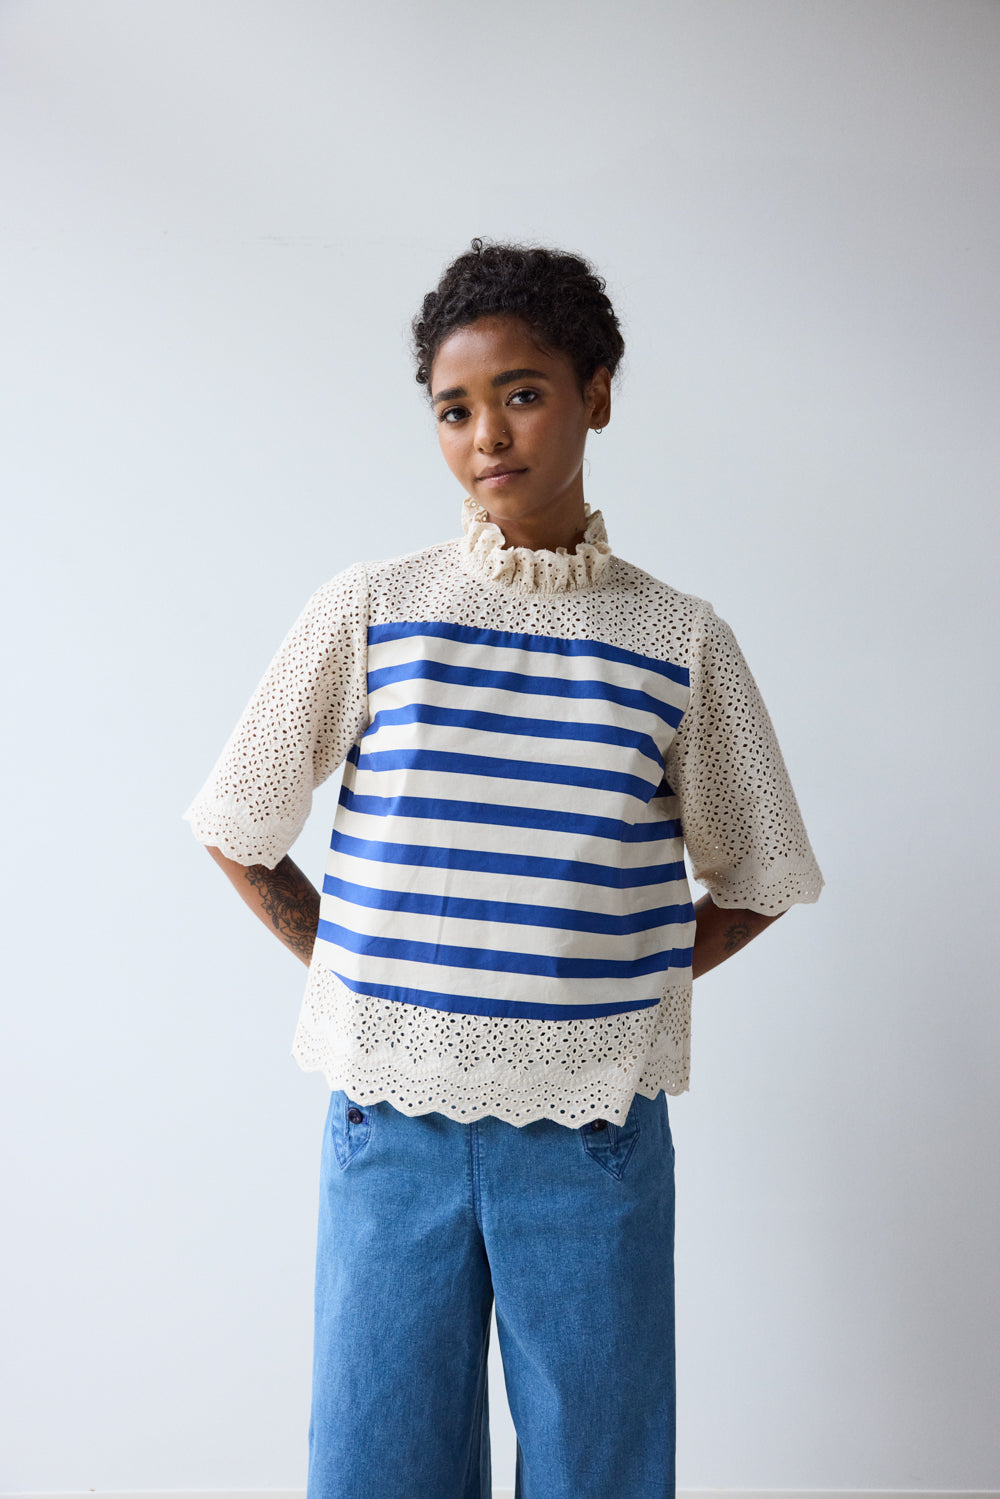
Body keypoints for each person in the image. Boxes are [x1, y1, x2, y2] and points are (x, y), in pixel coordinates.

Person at [184, 238, 823, 1499]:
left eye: (521, 393)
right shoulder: (372, 610)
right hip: (390, 1127)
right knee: (376, 1465)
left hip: (591, 1137)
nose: (487, 434)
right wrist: (356, 965)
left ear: (597, 392)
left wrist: (615, 982)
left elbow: (761, 870)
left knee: (599, 1469)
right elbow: (236, 818)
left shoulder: (678, 640)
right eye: (454, 407)